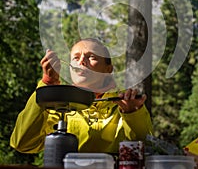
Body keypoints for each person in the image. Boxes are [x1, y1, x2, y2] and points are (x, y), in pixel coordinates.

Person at [10, 38, 153, 155]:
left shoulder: (125, 104)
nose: (82, 61)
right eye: (76, 57)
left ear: (108, 69)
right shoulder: (57, 104)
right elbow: (22, 143)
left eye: (91, 57)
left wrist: (133, 114)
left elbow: (148, 149)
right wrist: (47, 85)